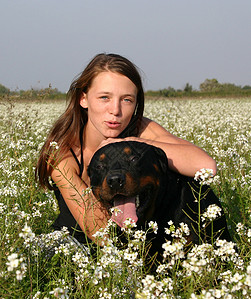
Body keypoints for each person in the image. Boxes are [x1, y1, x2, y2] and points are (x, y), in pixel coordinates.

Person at [36, 53, 216, 245]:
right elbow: (104, 235)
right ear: (83, 99)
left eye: (127, 100)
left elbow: (206, 167)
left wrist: (135, 142)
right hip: (74, 247)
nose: (115, 110)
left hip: (135, 246)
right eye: (104, 97)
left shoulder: (139, 129)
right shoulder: (63, 151)